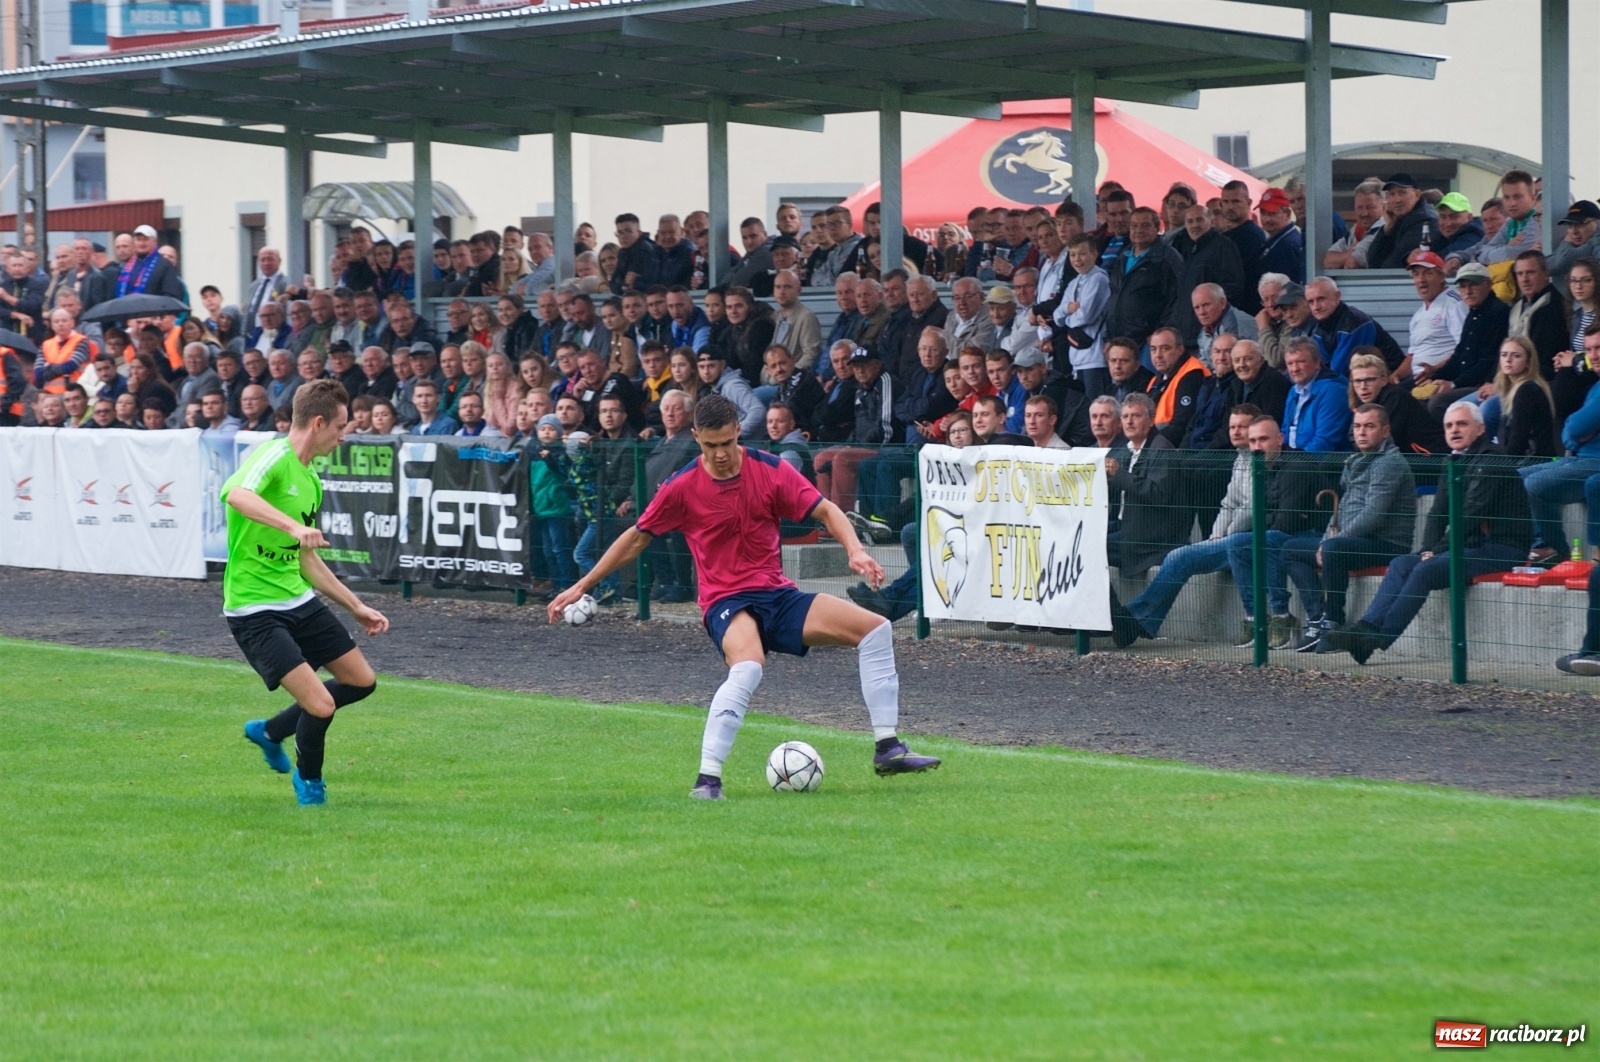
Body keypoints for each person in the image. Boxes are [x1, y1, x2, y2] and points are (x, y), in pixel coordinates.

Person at [548, 393, 941, 799]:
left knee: (875, 629)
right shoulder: (681, 486)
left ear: (738, 431)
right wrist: (583, 584)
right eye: (710, 445)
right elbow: (635, 538)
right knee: (749, 665)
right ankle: (708, 779)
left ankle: (887, 748)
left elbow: (826, 510)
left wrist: (855, 550)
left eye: (727, 443)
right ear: (697, 436)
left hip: (775, 594)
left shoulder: (768, 470)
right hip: (725, 602)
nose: (720, 454)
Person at [229, 380, 389, 806]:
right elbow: (236, 493)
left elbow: (305, 559)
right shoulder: (274, 458)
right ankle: (310, 785)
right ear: (318, 423)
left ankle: (270, 731)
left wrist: (356, 606)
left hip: (297, 599)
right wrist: (292, 526)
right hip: (254, 608)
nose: (343, 436)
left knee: (361, 681)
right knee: (320, 705)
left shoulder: (312, 479)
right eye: (340, 427)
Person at [1325, 402, 1531, 664]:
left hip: (1502, 547)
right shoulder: (1453, 460)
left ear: (1480, 428)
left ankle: (1380, 638)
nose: (1454, 430)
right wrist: (1427, 549)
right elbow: (1437, 514)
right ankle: (1366, 629)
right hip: (1467, 545)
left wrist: (1436, 551)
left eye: (1462, 424)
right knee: (1401, 564)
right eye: (1449, 425)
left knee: (1425, 569)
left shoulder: (1491, 459)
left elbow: (1470, 515)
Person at [1111, 406, 1260, 646]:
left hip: (1252, 538)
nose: (1236, 432)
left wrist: (1226, 535)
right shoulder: (1240, 459)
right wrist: (1215, 534)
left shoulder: (1259, 459)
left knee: (1182, 555)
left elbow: (1251, 510)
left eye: (1243, 427)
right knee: (1180, 558)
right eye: (1232, 427)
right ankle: (1131, 620)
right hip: (1227, 540)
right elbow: (1229, 503)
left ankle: (1130, 619)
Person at [1283, 403, 1417, 652]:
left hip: (1386, 543)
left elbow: (1372, 515)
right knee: (1289, 549)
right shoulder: (1355, 460)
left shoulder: (1389, 463)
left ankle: (1335, 624)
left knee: (1335, 549)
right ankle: (1318, 618)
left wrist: (1331, 543)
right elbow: (1343, 507)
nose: (1362, 432)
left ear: (1385, 430)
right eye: (1357, 426)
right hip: (1351, 540)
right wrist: (1326, 540)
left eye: (1369, 426)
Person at [1493, 335, 1557, 458]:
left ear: (1528, 361)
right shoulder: (1514, 389)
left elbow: (1518, 441)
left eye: (1516, 356)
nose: (1508, 360)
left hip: (1534, 463)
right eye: (1504, 355)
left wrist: (1502, 467)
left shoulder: (1527, 391)